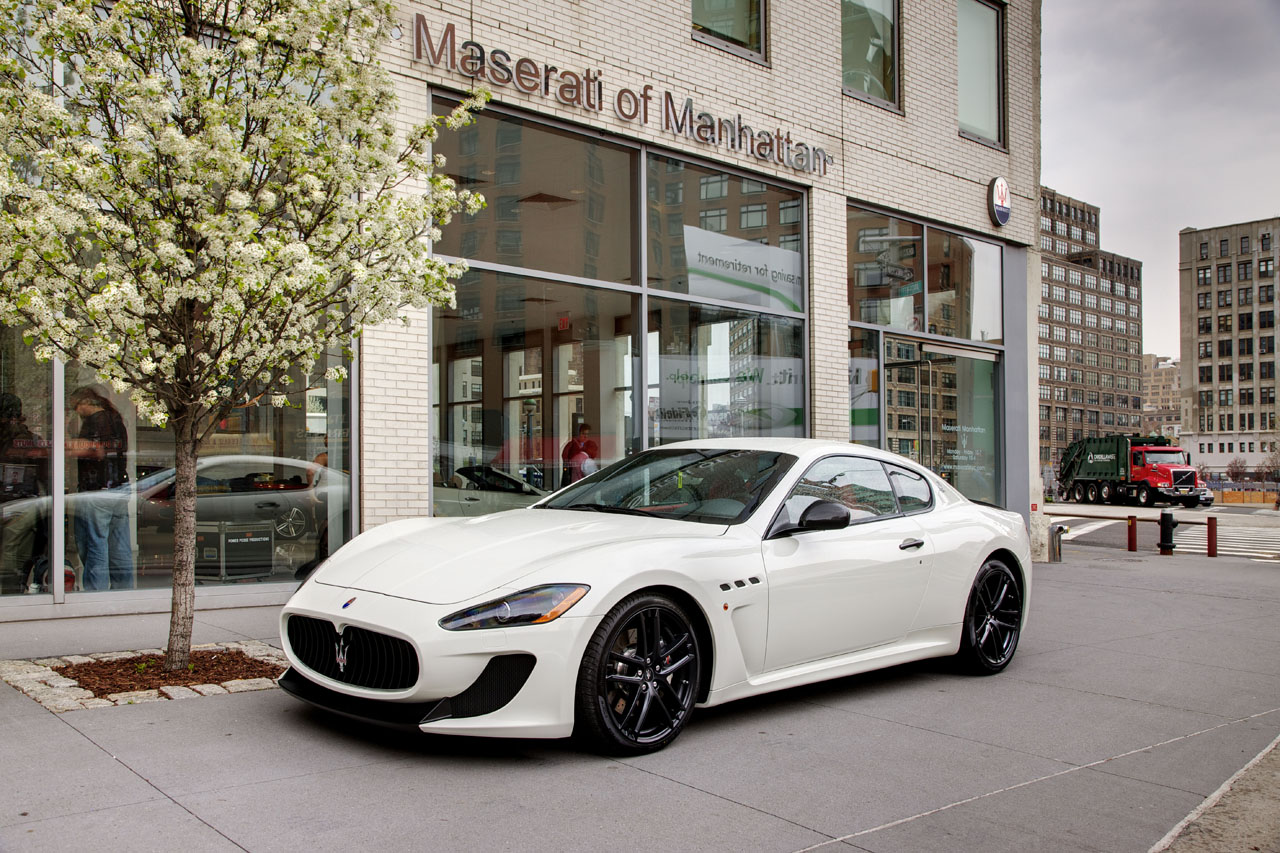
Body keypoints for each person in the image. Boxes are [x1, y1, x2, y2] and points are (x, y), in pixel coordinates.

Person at [67, 386, 132, 590]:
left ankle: (97, 594)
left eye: (76, 406)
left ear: (86, 402)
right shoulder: (117, 420)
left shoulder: (96, 422)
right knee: (120, 544)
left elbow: (94, 451)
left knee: (95, 545)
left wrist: (67, 445)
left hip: (98, 490)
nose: (76, 411)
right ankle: (124, 592)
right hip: (120, 487)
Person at [560, 422, 598, 488]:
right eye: (583, 434)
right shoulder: (572, 444)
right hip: (574, 477)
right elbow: (565, 457)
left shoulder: (591, 444)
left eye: (587, 434)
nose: (585, 436)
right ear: (579, 434)